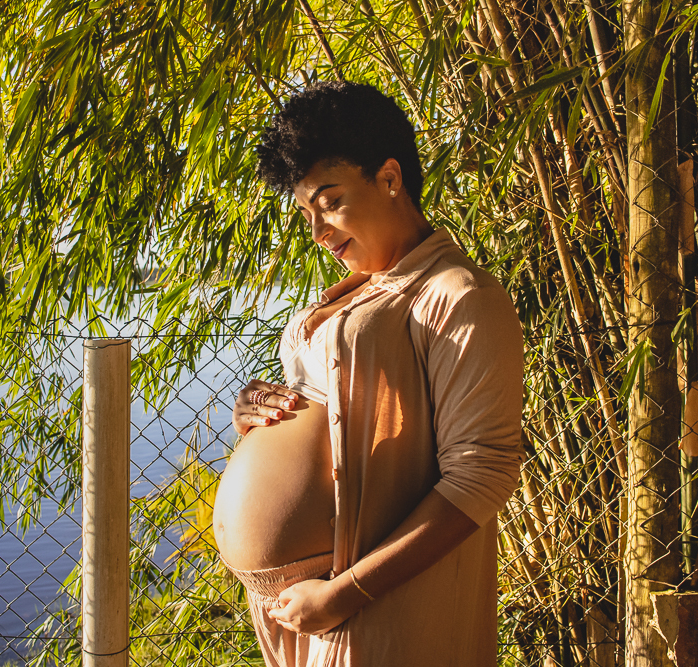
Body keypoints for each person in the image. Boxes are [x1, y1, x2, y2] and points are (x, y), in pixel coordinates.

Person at [211, 80, 524, 667]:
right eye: (306, 211)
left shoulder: (459, 295)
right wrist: (255, 414)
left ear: (389, 177)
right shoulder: (366, 290)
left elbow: (482, 477)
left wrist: (342, 593)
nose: (318, 232)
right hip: (303, 606)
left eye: (329, 201)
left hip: (372, 604)